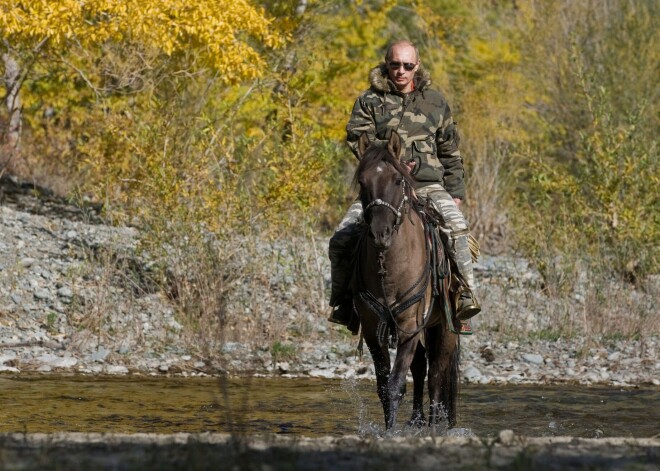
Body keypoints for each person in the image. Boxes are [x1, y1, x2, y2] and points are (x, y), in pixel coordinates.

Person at [328, 39, 480, 334]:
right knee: (340, 239)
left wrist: (456, 191)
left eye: (407, 65)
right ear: (386, 64)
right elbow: (357, 140)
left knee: (458, 230)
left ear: (417, 66)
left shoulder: (435, 102)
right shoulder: (368, 101)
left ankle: (464, 296)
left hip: (427, 185)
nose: (401, 71)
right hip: (382, 188)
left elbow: (450, 150)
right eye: (395, 64)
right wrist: (390, 166)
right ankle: (344, 302)